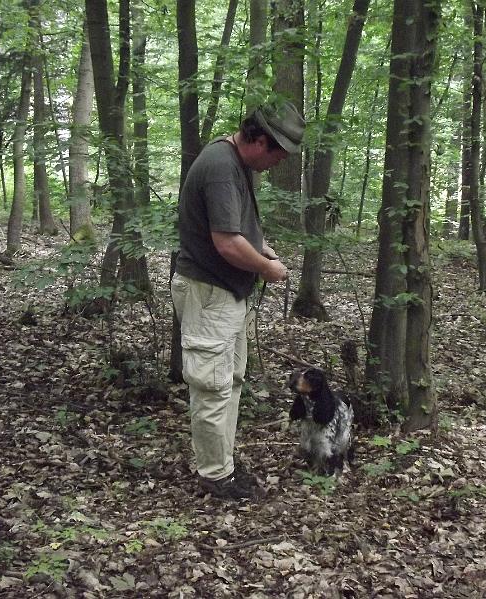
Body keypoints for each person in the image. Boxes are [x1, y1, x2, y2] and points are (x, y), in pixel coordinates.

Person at [171, 100, 305, 500]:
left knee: (230, 382)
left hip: (226, 295)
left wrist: (266, 253)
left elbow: (243, 230)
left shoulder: (236, 165)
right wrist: (268, 270)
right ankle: (215, 475)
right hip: (209, 293)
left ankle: (222, 463)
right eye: (278, 155)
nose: (277, 164)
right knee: (213, 386)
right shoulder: (220, 168)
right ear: (260, 140)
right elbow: (227, 242)